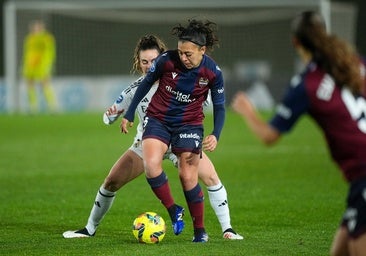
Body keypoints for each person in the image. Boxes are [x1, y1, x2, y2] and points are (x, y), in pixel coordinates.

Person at [63, 35, 243, 241]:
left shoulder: (187, 78)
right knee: (111, 181)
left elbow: (211, 101)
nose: (149, 66)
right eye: (144, 62)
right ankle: (89, 228)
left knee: (210, 177)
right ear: (138, 63)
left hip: (180, 141)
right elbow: (111, 115)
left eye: (152, 61)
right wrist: (113, 114)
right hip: (147, 143)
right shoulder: (136, 89)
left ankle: (227, 229)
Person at [231, 11, 366, 256]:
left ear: (296, 43)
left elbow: (269, 135)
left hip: (364, 170)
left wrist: (248, 111)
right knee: (340, 250)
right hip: (360, 177)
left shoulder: (307, 84)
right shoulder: (354, 62)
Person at [121, 20, 226, 243]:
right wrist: (129, 113)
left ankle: (200, 231)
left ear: (202, 50)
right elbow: (144, 83)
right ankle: (173, 210)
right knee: (151, 165)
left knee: (188, 176)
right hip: (158, 119)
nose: (183, 58)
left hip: (189, 125)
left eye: (188, 54)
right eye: (180, 52)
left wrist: (216, 133)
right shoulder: (167, 61)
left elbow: (219, 106)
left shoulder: (213, 72)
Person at [22, 20, 57, 114]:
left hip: (42, 64)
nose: (36, 29)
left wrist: (48, 63)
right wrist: (25, 63)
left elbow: (50, 52)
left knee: (45, 83)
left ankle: (52, 106)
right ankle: (33, 107)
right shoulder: (29, 38)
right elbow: (27, 52)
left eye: (38, 27)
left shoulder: (47, 38)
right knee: (30, 84)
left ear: (42, 28)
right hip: (30, 65)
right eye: (34, 27)